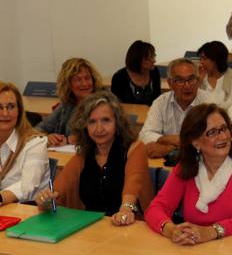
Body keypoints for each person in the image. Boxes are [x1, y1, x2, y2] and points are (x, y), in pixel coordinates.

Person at [145, 103, 232, 245]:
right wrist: (171, 230)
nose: (223, 137)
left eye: (224, 129)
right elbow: (156, 208)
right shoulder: (186, 167)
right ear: (195, 143)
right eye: (212, 132)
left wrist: (212, 231)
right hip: (194, 249)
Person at [36, 90, 153, 224]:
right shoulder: (84, 154)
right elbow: (57, 192)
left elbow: (134, 184)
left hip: (130, 226)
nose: (99, 129)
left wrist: (126, 208)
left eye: (106, 120)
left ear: (118, 122)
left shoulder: (135, 149)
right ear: (84, 126)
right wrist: (46, 200)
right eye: (92, 122)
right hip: (92, 227)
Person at [139, 58, 214, 158]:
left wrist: (169, 148)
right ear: (170, 83)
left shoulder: (209, 103)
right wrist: (169, 139)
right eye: (180, 80)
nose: (187, 86)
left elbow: (212, 138)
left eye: (191, 79)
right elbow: (145, 134)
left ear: (198, 80)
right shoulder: (161, 102)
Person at [0, 82, 49, 204]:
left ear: (20, 111)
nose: (5, 113)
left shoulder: (35, 143)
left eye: (11, 106)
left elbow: (27, 186)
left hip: (28, 212)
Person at [36, 57, 103, 147]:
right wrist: (47, 137)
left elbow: (105, 134)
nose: (85, 84)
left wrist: (69, 140)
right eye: (78, 79)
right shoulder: (66, 105)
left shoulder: (102, 103)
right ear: (68, 84)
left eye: (87, 78)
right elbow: (38, 129)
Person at [111, 40, 161, 106]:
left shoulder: (154, 72)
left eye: (154, 56)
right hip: (129, 115)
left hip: (153, 114)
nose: (154, 61)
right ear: (139, 59)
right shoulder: (119, 77)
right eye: (150, 58)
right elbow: (116, 104)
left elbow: (158, 99)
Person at [197, 40, 232, 109]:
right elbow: (194, 101)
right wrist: (199, 80)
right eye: (200, 58)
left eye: (204, 58)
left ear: (216, 59)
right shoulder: (200, 75)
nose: (201, 62)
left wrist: (207, 107)